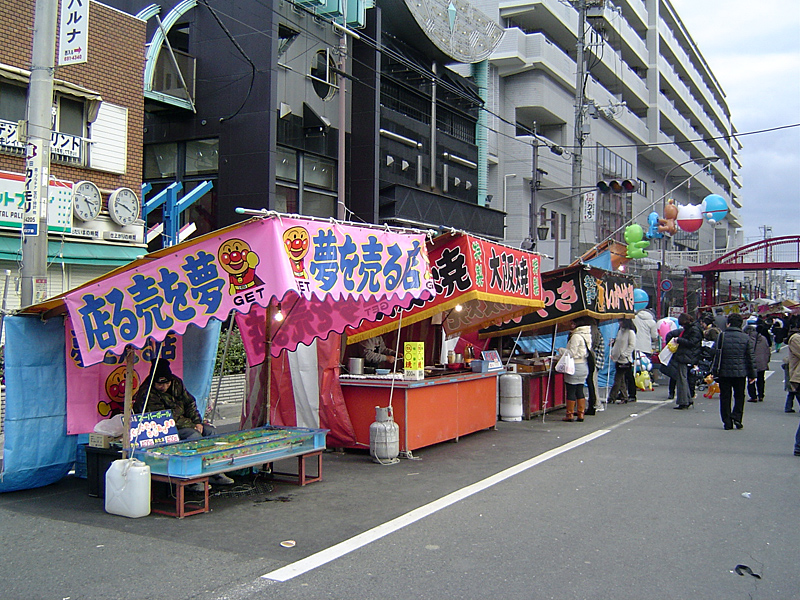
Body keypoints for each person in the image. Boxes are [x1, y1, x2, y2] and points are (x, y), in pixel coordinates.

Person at [133, 360, 234, 487]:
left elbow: (189, 402)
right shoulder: (147, 393)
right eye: (159, 384)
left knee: (211, 432)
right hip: (163, 430)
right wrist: (193, 426)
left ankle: (215, 472)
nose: (163, 387)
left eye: (166, 383)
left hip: (186, 422)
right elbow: (166, 419)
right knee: (193, 437)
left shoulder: (176, 383)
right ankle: (191, 478)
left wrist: (198, 422)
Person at [711, 313, 756, 430]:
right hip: (740, 372)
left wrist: (714, 371)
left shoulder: (722, 336)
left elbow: (716, 354)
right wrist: (752, 374)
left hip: (724, 371)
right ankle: (737, 416)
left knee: (725, 396)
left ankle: (727, 421)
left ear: (728, 323)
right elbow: (750, 357)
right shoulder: (745, 338)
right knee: (739, 396)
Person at [559, 317, 593, 422]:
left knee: (571, 390)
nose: (571, 325)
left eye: (572, 323)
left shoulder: (576, 336)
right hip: (584, 365)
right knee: (580, 390)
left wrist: (561, 350)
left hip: (574, 366)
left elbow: (572, 353)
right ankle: (580, 414)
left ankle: (569, 414)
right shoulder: (587, 335)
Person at [671, 313, 703, 410]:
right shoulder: (695, 328)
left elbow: (691, 343)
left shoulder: (692, 330)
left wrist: (679, 340)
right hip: (691, 355)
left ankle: (683, 401)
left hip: (686, 355)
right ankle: (687, 399)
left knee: (682, 379)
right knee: (683, 378)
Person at [609, 318, 637, 403]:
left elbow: (632, 345)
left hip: (625, 359)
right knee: (621, 379)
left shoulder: (630, 332)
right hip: (618, 357)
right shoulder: (620, 331)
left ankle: (613, 396)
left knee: (619, 378)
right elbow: (618, 343)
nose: (619, 323)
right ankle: (623, 396)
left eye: (621, 321)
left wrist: (625, 354)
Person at [744, 324, 770, 403]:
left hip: (752, 363)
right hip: (762, 362)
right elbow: (767, 350)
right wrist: (767, 360)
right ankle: (761, 395)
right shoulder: (763, 338)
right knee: (761, 379)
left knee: (751, 379)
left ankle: (753, 396)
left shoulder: (748, 339)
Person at [634, 308, 659, 384]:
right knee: (646, 364)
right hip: (646, 347)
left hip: (635, 346)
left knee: (636, 364)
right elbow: (654, 336)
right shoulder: (652, 322)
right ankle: (647, 381)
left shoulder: (634, 319)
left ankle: (635, 380)